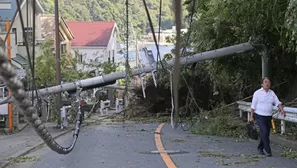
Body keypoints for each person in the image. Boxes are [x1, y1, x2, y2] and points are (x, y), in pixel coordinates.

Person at [250, 77, 286, 156]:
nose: (267, 83)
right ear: (262, 84)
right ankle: (268, 150)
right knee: (264, 132)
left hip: (268, 116)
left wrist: (282, 110)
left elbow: (277, 102)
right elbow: (253, 106)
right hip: (259, 116)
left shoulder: (272, 93)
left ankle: (260, 148)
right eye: (265, 82)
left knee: (266, 134)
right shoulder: (257, 93)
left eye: (268, 82)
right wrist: (251, 116)